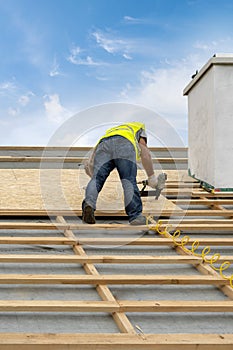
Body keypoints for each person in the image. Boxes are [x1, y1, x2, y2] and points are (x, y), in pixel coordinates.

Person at [82, 122, 166, 225]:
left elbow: (90, 165)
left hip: (103, 145)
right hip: (124, 144)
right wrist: (152, 178)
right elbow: (145, 153)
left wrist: (94, 179)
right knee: (128, 180)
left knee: (96, 179)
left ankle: (89, 204)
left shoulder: (110, 132)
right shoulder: (139, 127)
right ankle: (135, 216)